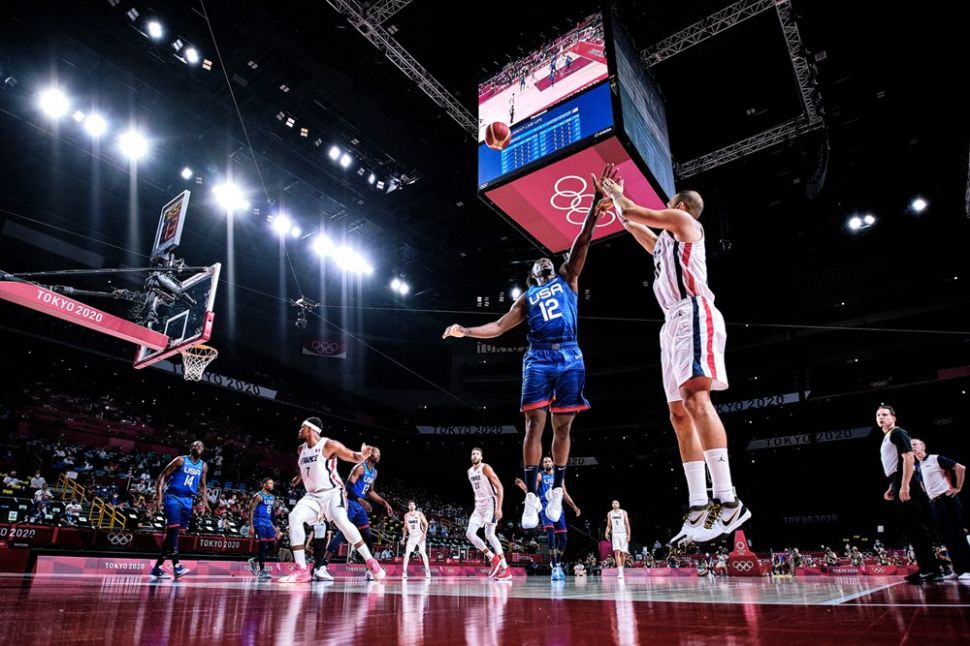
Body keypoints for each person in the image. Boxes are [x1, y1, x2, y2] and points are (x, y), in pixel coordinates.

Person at [443, 165, 620, 530]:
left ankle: (556, 489)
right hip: (538, 357)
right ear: (534, 275)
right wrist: (465, 330)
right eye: (538, 264)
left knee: (563, 428)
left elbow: (582, 242)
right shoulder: (527, 298)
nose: (543, 261)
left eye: (547, 259)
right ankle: (531, 497)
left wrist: (593, 205)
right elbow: (498, 326)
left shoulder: (568, 277)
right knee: (533, 425)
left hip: (569, 353)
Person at [599, 170, 750, 543]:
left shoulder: (685, 222)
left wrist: (618, 195)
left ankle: (729, 500)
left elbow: (633, 212)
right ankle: (699, 505)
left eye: (668, 204)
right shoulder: (665, 244)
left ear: (678, 206)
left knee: (697, 399)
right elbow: (633, 226)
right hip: (671, 323)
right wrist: (616, 207)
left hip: (693, 312)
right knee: (678, 413)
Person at [278, 418, 385, 583]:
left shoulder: (329, 445)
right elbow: (306, 465)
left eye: (303, 427)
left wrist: (363, 455)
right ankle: (301, 570)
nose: (299, 429)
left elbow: (354, 456)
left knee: (342, 521)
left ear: (312, 430)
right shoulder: (301, 449)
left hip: (333, 492)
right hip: (312, 496)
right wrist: (300, 476)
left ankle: (371, 561)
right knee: (294, 517)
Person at [877, 405, 942, 583]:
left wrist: (904, 484)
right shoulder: (887, 436)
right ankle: (928, 568)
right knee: (912, 528)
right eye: (878, 415)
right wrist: (893, 485)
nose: (881, 417)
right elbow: (896, 464)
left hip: (905, 481)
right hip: (897, 479)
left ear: (893, 417)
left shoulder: (897, 432)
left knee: (916, 527)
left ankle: (931, 570)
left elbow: (908, 457)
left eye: (884, 414)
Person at [315, 447, 393, 580]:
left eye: (379, 454)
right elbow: (348, 486)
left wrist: (384, 502)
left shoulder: (374, 472)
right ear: (369, 454)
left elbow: (370, 491)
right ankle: (321, 567)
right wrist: (360, 500)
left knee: (367, 537)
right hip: (350, 503)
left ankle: (370, 570)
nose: (378, 455)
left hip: (359, 507)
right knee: (342, 534)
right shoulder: (360, 467)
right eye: (376, 453)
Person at [514, 456, 581, 580]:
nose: (547, 463)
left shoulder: (559, 477)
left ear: (553, 463)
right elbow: (533, 492)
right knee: (551, 535)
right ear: (543, 465)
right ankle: (554, 566)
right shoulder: (540, 476)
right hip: (545, 507)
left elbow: (565, 494)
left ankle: (557, 561)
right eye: (545, 462)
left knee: (564, 539)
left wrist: (574, 507)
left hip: (558, 508)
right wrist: (524, 487)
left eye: (549, 461)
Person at [150, 440, 209, 581]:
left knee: (173, 534)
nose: (198, 447)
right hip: (173, 497)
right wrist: (159, 497)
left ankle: (157, 567)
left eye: (201, 445)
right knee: (174, 531)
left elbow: (203, 485)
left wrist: (205, 502)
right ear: (190, 448)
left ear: (203, 450)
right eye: (195, 445)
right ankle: (177, 565)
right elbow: (162, 476)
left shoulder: (203, 466)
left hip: (188, 501)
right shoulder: (180, 460)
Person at [912, 438, 970, 580]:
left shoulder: (935, 458)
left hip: (947, 499)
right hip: (934, 504)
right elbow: (923, 485)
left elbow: (960, 468)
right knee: (946, 538)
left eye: (915, 444)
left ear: (923, 446)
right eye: (910, 445)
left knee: (957, 535)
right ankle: (958, 570)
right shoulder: (917, 466)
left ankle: (967, 570)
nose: (912, 446)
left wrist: (958, 487)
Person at [464, 448, 512, 581]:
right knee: (469, 534)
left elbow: (500, 487)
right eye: (473, 454)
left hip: (490, 502)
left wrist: (499, 508)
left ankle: (506, 569)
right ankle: (492, 557)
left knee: (490, 534)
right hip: (478, 505)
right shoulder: (469, 471)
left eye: (477, 454)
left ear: (481, 457)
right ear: (471, 457)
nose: (475, 455)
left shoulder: (485, 468)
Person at [247, 478, 277, 580]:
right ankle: (262, 571)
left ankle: (254, 560)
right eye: (270, 483)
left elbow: (271, 512)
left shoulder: (272, 497)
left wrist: (275, 526)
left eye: (272, 483)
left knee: (272, 545)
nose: (272, 485)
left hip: (268, 522)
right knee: (262, 546)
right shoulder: (258, 496)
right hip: (259, 522)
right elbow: (251, 510)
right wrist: (251, 526)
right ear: (264, 484)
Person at [401, 501, 431, 579]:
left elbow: (426, 524)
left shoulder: (419, 514)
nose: (411, 506)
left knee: (423, 552)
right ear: (408, 507)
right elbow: (405, 528)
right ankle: (404, 572)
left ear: (415, 506)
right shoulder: (406, 515)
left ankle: (427, 571)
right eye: (410, 505)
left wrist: (424, 535)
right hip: (411, 536)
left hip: (420, 535)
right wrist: (403, 538)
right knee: (407, 553)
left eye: (413, 505)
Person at [604, 500, 630, 580]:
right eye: (613, 503)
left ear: (619, 505)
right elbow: (609, 525)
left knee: (623, 553)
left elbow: (627, 524)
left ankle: (622, 569)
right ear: (612, 505)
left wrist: (629, 535)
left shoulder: (623, 512)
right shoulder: (610, 513)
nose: (614, 504)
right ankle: (620, 572)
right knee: (617, 552)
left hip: (623, 534)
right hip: (615, 534)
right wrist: (606, 533)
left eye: (616, 503)